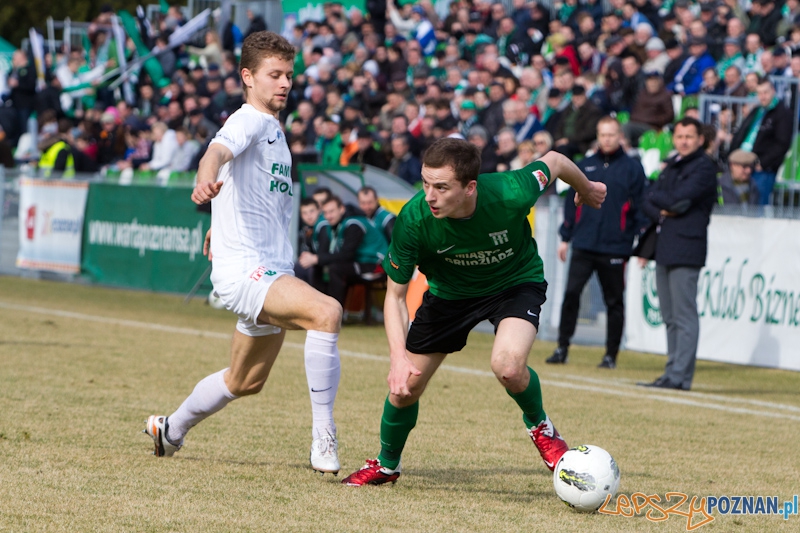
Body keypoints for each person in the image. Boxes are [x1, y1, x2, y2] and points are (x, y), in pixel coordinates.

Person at [340, 137, 607, 486]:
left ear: (470, 187)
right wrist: (396, 358)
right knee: (403, 388)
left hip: (514, 283)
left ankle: (541, 427)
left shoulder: (511, 191)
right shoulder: (414, 219)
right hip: (449, 296)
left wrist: (585, 188)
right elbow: (394, 297)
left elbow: (555, 160)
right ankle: (387, 465)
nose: (430, 196)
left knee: (508, 367)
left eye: (441, 187)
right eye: (425, 183)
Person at [144, 32, 344, 476]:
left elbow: (248, 190)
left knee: (245, 381)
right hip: (250, 272)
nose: (285, 83)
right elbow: (216, 152)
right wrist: (204, 179)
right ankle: (324, 438)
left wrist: (220, 216)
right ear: (247, 77)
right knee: (327, 312)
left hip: (268, 268)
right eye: (274, 75)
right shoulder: (249, 120)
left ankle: (170, 429)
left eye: (289, 75)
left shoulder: (273, 129)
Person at [546, 117, 646, 369]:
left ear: (620, 136)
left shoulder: (633, 168)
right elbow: (572, 204)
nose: (607, 139)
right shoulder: (584, 165)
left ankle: (611, 354)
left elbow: (641, 207)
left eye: (611, 134)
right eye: (602, 135)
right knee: (571, 295)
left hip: (615, 246)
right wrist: (566, 237)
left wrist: (629, 237)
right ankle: (561, 347)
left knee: (614, 301)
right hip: (583, 242)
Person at [637, 117, 717, 391]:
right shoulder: (673, 164)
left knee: (683, 316)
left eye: (689, 136)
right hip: (665, 245)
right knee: (669, 316)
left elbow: (677, 201)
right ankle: (672, 373)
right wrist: (664, 207)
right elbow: (648, 198)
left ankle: (681, 376)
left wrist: (664, 203)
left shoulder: (704, 167)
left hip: (687, 247)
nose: (683, 141)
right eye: (680, 136)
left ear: (700, 140)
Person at [298, 195, 388, 306]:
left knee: (335, 268)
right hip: (363, 262)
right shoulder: (341, 224)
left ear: (341, 209)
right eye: (325, 213)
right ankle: (317, 307)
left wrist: (317, 258)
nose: (328, 216)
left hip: (378, 265)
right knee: (322, 267)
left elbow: (346, 255)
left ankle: (333, 310)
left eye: (331, 211)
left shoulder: (354, 224)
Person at [728, 77, 792, 205]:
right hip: (740, 164)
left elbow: (782, 143)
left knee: (756, 207)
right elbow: (741, 133)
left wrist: (762, 163)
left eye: (766, 92)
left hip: (761, 170)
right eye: (759, 93)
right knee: (735, 205)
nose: (762, 96)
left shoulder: (782, 113)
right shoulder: (757, 110)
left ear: (773, 91)